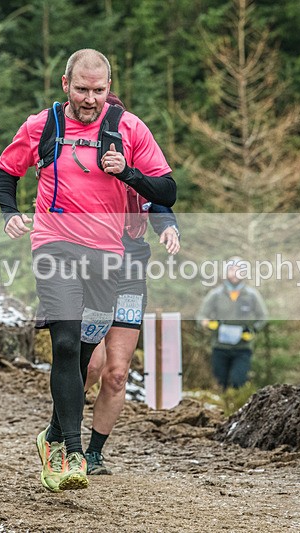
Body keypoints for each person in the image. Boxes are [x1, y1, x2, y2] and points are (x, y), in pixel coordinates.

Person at [0, 49, 176, 492]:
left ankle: (54, 433)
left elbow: (167, 190)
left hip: (109, 257)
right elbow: (5, 171)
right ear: (64, 85)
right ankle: (71, 452)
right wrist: (9, 212)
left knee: (87, 357)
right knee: (66, 343)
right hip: (55, 245)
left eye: (98, 91)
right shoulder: (43, 126)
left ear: (109, 89)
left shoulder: (129, 129)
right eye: (81, 89)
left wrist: (127, 173)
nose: (90, 99)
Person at [81, 92, 181, 476]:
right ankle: (62, 433)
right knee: (90, 366)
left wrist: (168, 227)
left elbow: (159, 198)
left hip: (131, 268)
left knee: (117, 371)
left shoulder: (136, 158)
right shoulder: (83, 161)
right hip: (91, 267)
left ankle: (94, 453)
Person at [195, 256, 268, 389]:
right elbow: (201, 316)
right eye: (232, 269)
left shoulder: (252, 295)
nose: (235, 273)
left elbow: (263, 317)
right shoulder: (215, 294)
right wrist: (209, 324)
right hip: (220, 347)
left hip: (242, 348)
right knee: (220, 382)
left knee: (238, 382)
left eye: (239, 270)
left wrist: (253, 330)